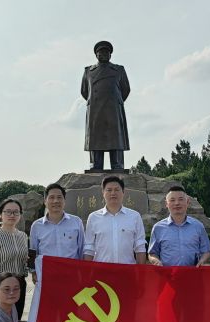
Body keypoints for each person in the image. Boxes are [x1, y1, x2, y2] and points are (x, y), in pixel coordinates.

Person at [81, 40, 131, 170]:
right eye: (101, 52)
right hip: (95, 110)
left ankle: (117, 164)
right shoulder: (88, 71)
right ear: (96, 55)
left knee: (116, 137)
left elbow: (125, 89)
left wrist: (115, 100)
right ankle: (95, 164)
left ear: (110, 55)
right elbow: (85, 91)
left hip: (113, 109)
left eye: (106, 52)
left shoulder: (118, 70)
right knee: (95, 138)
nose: (104, 54)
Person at [29, 183, 84, 283]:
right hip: (46, 277)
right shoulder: (37, 226)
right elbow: (33, 251)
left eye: (59, 197)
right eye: (52, 197)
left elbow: (81, 249)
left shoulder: (76, 222)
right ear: (45, 201)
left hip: (71, 276)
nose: (56, 201)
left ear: (64, 200)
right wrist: (33, 272)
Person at [83, 176, 146, 264]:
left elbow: (140, 247)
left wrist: (140, 271)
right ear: (103, 192)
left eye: (117, 190)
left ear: (123, 192)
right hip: (101, 270)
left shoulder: (135, 216)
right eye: (109, 190)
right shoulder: (93, 217)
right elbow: (89, 248)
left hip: (127, 269)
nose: (113, 193)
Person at [148, 185, 210, 266]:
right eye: (172, 200)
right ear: (166, 204)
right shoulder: (158, 228)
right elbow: (152, 253)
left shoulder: (198, 226)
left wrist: (202, 261)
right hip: (167, 273)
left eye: (181, 199)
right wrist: (155, 261)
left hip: (192, 272)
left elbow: (206, 252)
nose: (177, 203)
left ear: (187, 202)